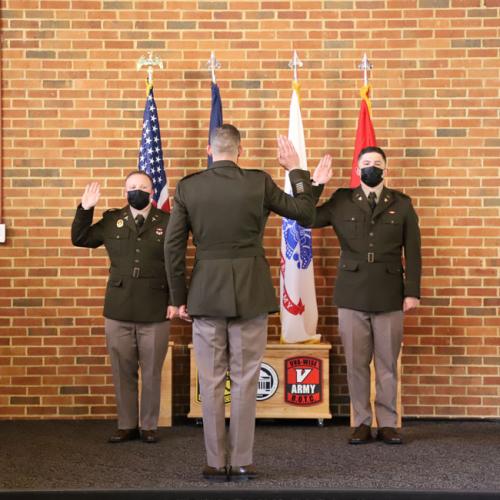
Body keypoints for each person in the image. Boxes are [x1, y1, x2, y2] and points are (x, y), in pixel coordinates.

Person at [165, 124, 330, 481]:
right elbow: (306, 213)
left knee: (210, 380)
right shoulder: (258, 182)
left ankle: (214, 461)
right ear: (240, 151)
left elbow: (172, 247)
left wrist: (178, 299)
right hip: (251, 292)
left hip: (206, 294)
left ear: (210, 151)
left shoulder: (189, 187)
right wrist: (295, 168)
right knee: (244, 379)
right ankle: (240, 461)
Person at [311, 146, 421, 445]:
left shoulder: (402, 203)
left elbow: (413, 251)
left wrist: (412, 292)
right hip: (352, 293)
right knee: (356, 363)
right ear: (357, 170)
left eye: (377, 163)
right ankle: (360, 421)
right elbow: (307, 217)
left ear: (386, 169)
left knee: (387, 363)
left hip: (389, 293)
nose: (372, 167)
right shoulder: (342, 200)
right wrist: (316, 184)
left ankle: (387, 423)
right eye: (366, 163)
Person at [71, 170, 177, 444]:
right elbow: (80, 239)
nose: (137, 191)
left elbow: (177, 264)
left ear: (152, 192)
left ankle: (149, 426)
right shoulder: (111, 220)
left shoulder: (168, 221)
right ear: (124, 191)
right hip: (119, 307)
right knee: (122, 370)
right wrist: (86, 208)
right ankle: (127, 424)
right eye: (132, 187)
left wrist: (176, 301)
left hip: (156, 307)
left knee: (152, 371)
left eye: (142, 186)